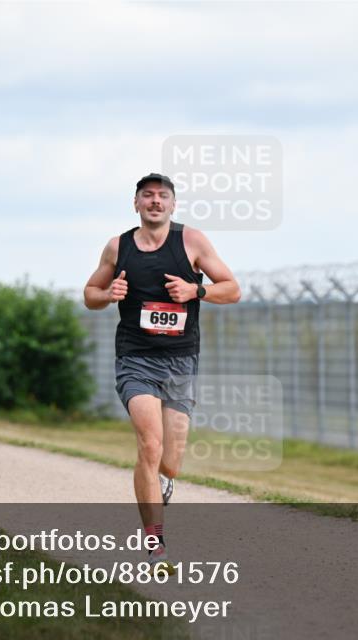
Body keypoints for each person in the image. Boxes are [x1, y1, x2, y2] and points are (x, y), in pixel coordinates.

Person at [83, 173, 240, 569]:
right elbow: (90, 295)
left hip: (181, 360)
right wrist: (108, 294)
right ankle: (155, 542)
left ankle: (164, 480)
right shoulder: (118, 246)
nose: (155, 201)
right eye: (147, 196)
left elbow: (233, 289)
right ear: (135, 203)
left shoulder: (192, 242)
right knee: (149, 445)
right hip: (135, 359)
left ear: (173, 205)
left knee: (171, 456)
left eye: (163, 196)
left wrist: (196, 291)